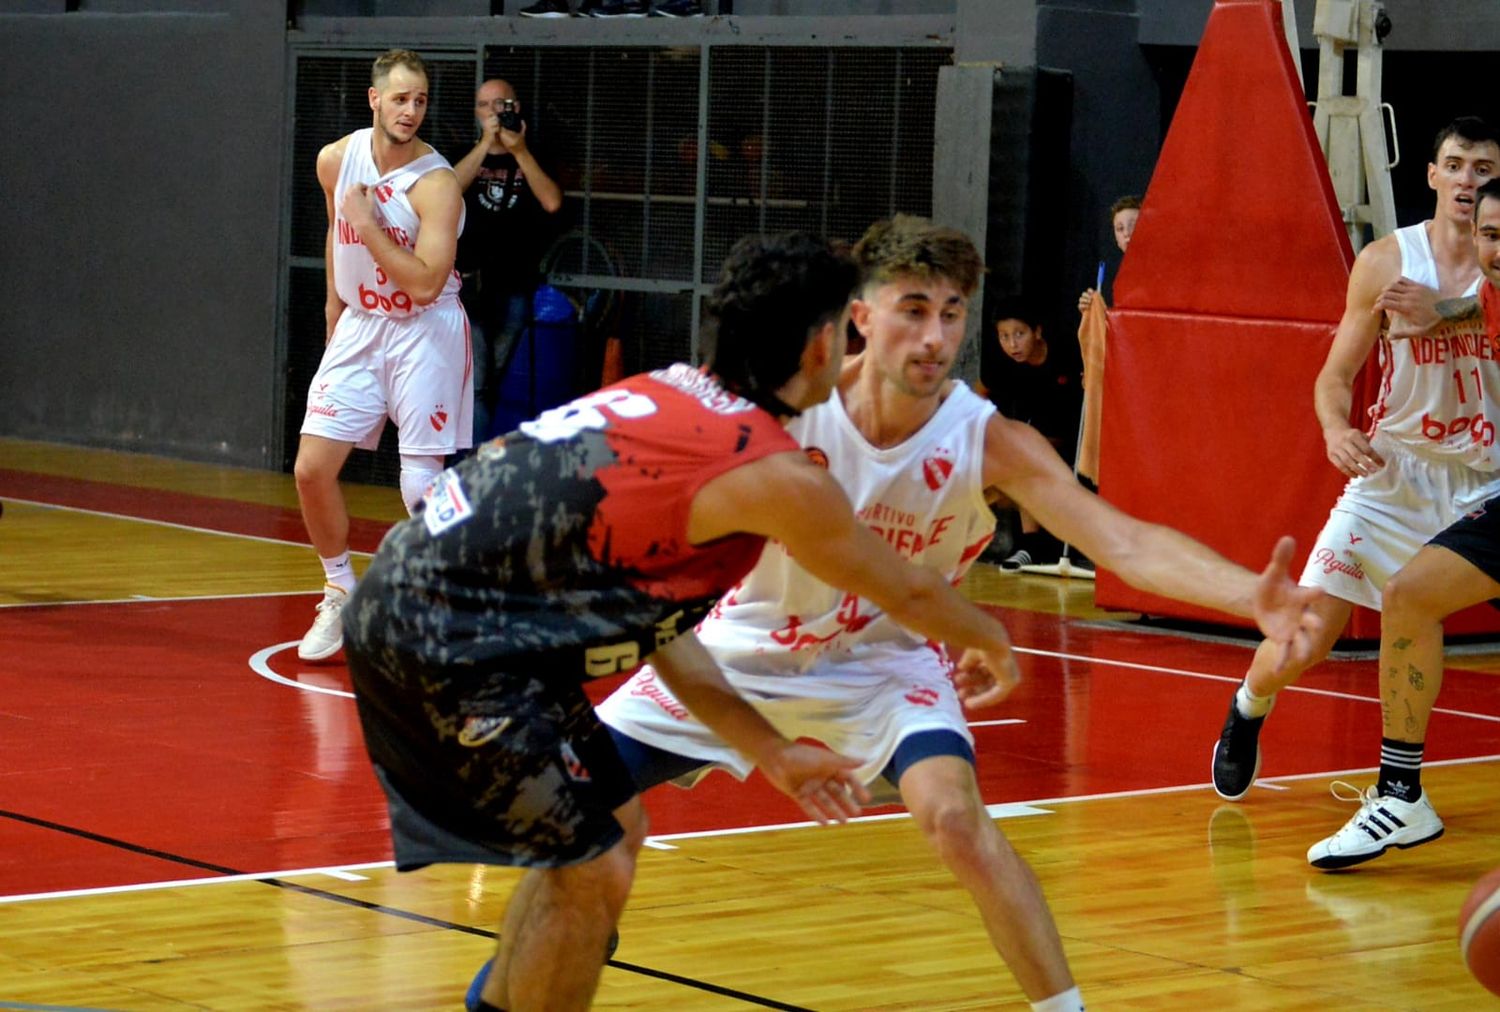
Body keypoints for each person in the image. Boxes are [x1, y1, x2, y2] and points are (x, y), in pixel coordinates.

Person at [598, 215, 1327, 1012]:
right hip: (742, 642)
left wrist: (1244, 593)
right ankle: (555, 950)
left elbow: (1120, 538)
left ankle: (1064, 1009)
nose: (935, 335)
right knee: (576, 799)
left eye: (951, 312)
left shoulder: (984, 438)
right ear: (861, 315)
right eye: (913, 309)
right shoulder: (788, 409)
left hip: (884, 658)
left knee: (953, 815)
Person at [345, 231, 1050, 1012]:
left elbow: (661, 629)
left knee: (608, 833)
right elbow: (911, 593)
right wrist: (991, 636)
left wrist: (773, 754)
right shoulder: (764, 466)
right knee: (597, 861)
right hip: (449, 637)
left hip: (436, 606)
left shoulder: (678, 397)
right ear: (824, 343)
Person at [1211, 116, 1500, 829]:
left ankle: (1400, 791)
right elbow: (1335, 375)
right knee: (1306, 638)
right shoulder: (1384, 261)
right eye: (1456, 165)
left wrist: (1442, 316)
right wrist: (1337, 429)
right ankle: (1249, 707)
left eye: (1482, 168)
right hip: (1396, 474)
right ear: (1430, 174)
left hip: (1487, 482)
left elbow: (1469, 311)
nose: (1467, 180)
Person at [1304, 176, 1500, 869]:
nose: (1496, 250)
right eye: (1491, 237)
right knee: (1407, 596)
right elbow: (1462, 314)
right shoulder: (1462, 289)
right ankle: (1400, 793)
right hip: (1430, 477)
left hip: (1479, 476)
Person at [294, 49, 470, 662]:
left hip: (426, 327)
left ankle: (442, 606)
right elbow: (334, 231)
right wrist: (331, 308)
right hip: (362, 323)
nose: (411, 111)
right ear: (374, 100)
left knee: (421, 483)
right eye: (400, 99)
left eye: (420, 100)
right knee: (312, 469)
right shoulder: (335, 160)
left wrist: (369, 226)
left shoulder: (438, 184)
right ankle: (340, 588)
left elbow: (423, 283)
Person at [451, 78, 563, 447]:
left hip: (514, 285)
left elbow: (552, 202)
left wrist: (520, 151)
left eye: (502, 104)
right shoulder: (465, 152)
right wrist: (486, 144)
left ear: (516, 108)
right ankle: (471, 470)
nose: (495, 112)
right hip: (471, 287)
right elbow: (448, 190)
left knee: (493, 380)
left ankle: (471, 457)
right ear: (476, 113)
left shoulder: (532, 154)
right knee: (479, 381)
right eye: (486, 105)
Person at [979, 295, 1083, 570]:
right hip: (1030, 440)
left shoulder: (1068, 352)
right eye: (1003, 336)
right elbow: (975, 397)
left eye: (1019, 334)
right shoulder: (1002, 365)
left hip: (1074, 437)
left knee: (1024, 457)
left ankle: (1031, 546)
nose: (1011, 344)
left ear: (1037, 331)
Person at [1075, 194, 1140, 489]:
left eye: (1133, 225)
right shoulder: (1118, 278)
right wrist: (1092, 314)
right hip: (1122, 388)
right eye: (1119, 228)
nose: (1127, 233)